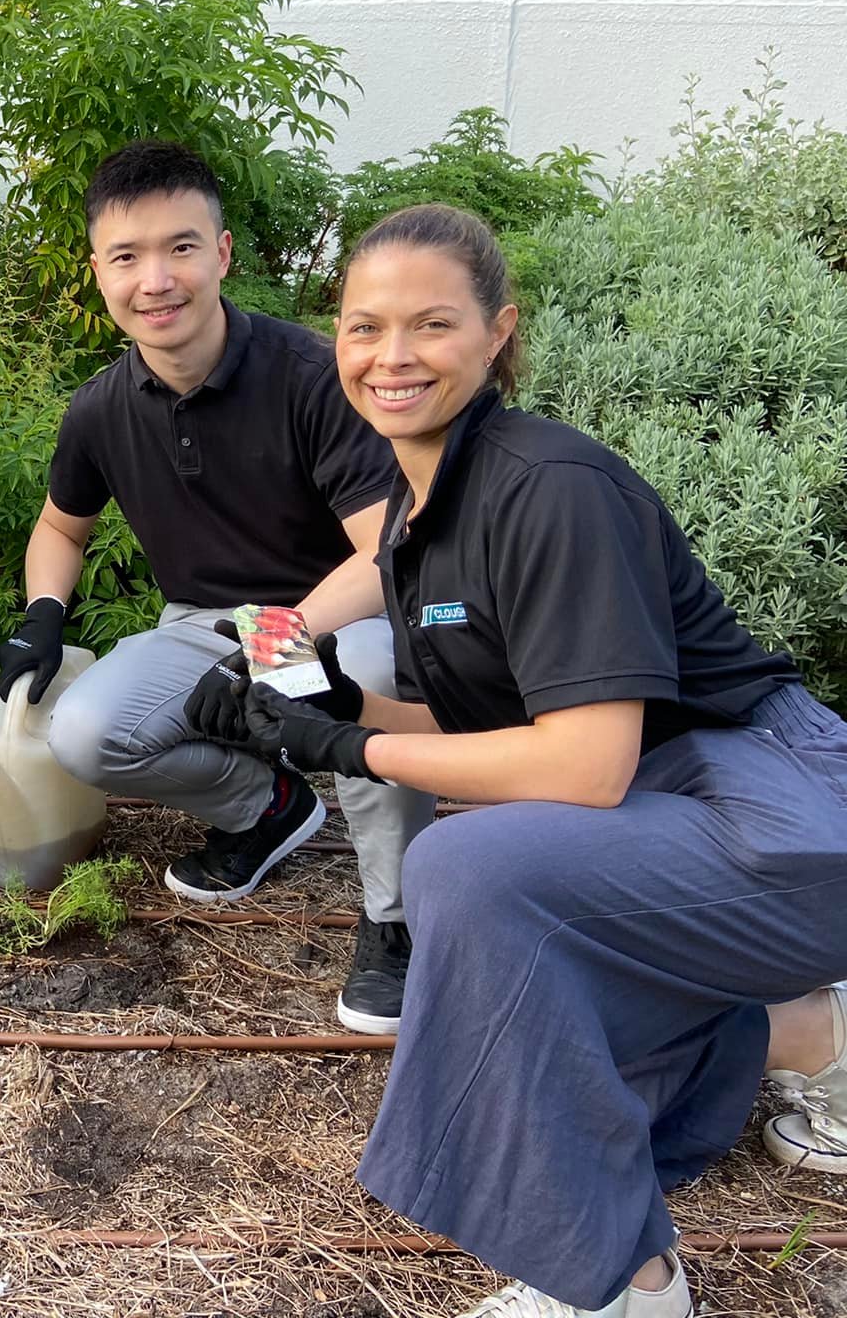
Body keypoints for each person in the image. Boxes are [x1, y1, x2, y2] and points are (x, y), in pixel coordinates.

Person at [213, 203, 847, 1317]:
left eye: (430, 325)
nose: (390, 356)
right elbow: (475, 723)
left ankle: (621, 1284)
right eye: (363, 329)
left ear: (496, 333)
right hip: (679, 802)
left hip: (776, 809)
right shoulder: (420, 509)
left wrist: (354, 743)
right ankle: (778, 1058)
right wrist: (295, 698)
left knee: (473, 874)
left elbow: (587, 764)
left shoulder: (545, 485)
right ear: (334, 342)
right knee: (496, 867)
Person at [0, 139, 436, 1033]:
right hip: (203, 620)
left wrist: (276, 642)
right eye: (127, 256)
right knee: (85, 731)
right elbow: (59, 526)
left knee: (362, 685)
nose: (155, 279)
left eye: (181, 247)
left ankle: (397, 921)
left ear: (224, 253)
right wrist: (44, 613)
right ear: (98, 271)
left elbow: (384, 550)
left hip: (335, 611)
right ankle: (267, 808)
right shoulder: (100, 408)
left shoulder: (314, 376)